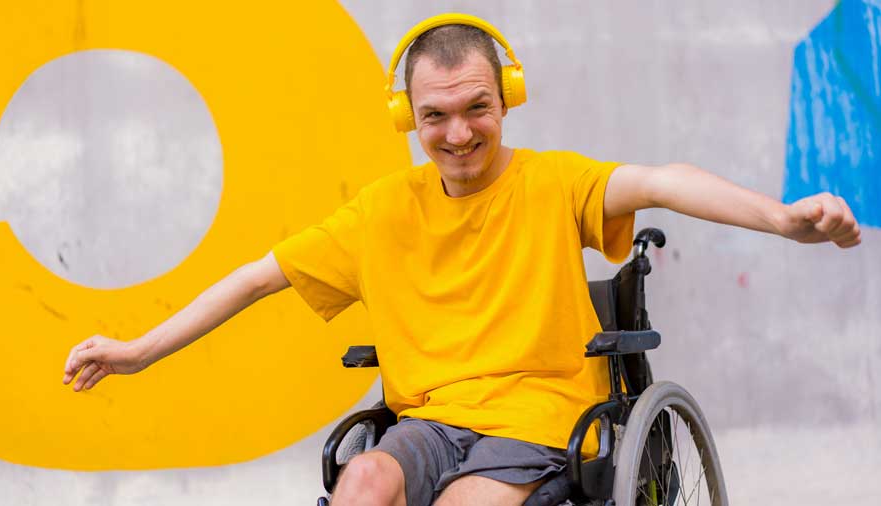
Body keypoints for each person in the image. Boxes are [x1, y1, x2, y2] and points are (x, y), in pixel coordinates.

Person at [62, 14, 861, 506]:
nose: (459, 132)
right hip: (431, 421)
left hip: (539, 418)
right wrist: (135, 352)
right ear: (408, 118)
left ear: (506, 96)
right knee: (364, 483)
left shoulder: (552, 182)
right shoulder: (381, 210)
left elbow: (663, 181)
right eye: (436, 114)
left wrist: (784, 221)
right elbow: (253, 279)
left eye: (477, 107)